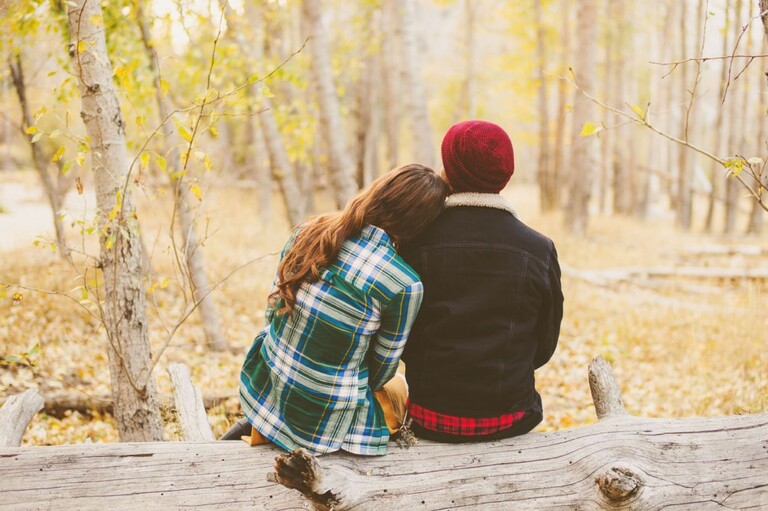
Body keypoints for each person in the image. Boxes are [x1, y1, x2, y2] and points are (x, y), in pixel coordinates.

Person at [222, 164, 450, 456]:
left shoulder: (310, 230)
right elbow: (381, 372)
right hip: (321, 423)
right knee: (398, 389)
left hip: (266, 387)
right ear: (420, 225)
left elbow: (274, 309)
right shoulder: (404, 283)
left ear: (379, 191)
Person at [400, 120, 564, 443]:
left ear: (448, 168)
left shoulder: (414, 242)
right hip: (511, 417)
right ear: (506, 173)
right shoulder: (539, 249)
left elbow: (399, 336)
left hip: (430, 417)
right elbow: (545, 345)